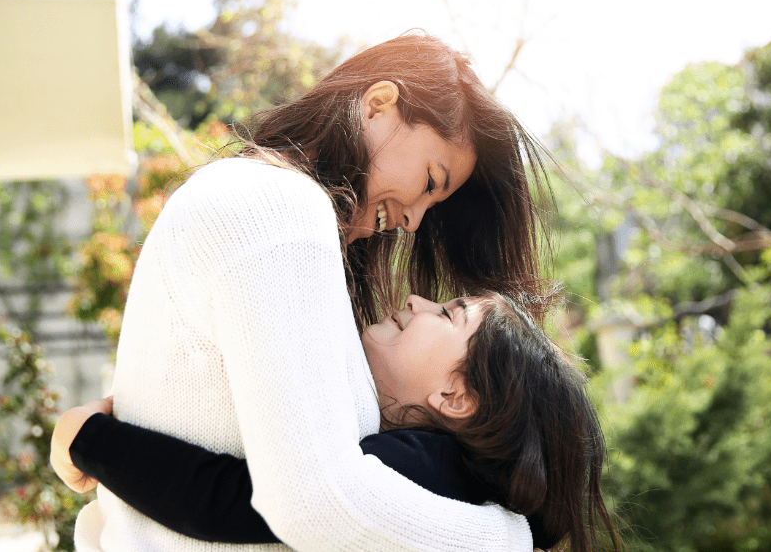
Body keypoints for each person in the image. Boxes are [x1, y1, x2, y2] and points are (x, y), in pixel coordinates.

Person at [60, 32, 553, 552]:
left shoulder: (272, 207)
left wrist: (89, 440)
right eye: (431, 181)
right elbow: (316, 504)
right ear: (379, 105)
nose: (412, 222)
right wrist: (509, 540)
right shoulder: (279, 206)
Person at [52, 293, 624, 552]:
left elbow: (233, 499)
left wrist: (92, 441)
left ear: (455, 396)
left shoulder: (420, 467)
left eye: (450, 314)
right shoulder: (440, 478)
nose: (419, 301)